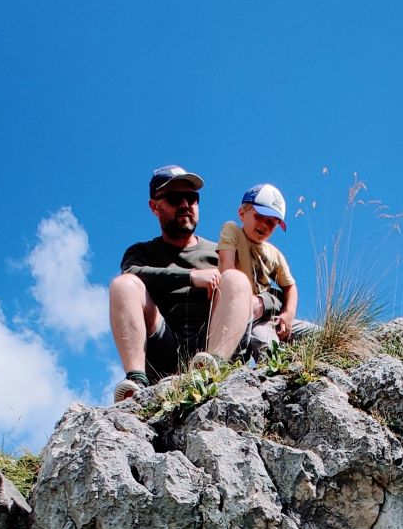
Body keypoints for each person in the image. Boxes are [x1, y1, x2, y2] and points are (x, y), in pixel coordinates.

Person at [109, 165, 222, 403]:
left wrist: (265, 303)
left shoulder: (221, 252)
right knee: (124, 285)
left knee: (236, 280)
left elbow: (260, 288)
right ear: (155, 206)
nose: (185, 204)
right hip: (165, 344)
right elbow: (131, 271)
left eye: (191, 197)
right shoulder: (142, 252)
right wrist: (191, 276)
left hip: (211, 341)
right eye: (174, 198)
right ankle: (137, 382)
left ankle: (216, 368)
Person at [212, 183, 300, 360]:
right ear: (242, 213)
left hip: (267, 315)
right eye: (259, 216)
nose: (265, 225)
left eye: (271, 222)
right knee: (268, 348)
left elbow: (290, 287)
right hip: (238, 312)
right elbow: (226, 266)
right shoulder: (233, 231)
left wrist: (288, 314)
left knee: (319, 334)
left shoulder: (274, 253)